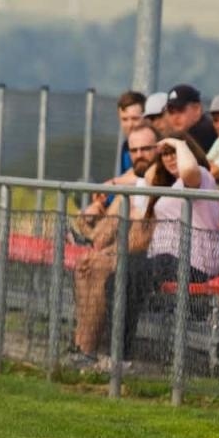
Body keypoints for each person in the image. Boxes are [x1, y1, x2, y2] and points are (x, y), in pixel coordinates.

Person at [110, 134, 219, 361]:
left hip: (194, 261)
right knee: (117, 276)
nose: (170, 158)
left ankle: (120, 354)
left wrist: (180, 143)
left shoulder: (201, 177)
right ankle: (114, 348)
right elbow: (146, 176)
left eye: (174, 153)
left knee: (130, 274)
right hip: (166, 258)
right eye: (165, 154)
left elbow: (189, 170)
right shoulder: (170, 185)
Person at [66, 123, 159, 363]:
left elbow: (143, 236)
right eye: (134, 150)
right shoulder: (132, 187)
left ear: (158, 149)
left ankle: (86, 351)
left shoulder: (163, 183)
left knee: (97, 266)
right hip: (132, 253)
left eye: (146, 149)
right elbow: (101, 236)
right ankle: (80, 346)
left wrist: (107, 254)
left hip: (157, 257)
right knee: (84, 266)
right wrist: (88, 220)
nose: (139, 155)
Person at [163, 84, 217, 150]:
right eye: (171, 112)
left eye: (180, 110)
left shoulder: (203, 132)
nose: (175, 117)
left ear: (197, 109)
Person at [114, 90, 147, 175]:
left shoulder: (155, 146)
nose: (130, 125)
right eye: (124, 119)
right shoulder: (125, 146)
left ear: (146, 118)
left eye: (135, 118)